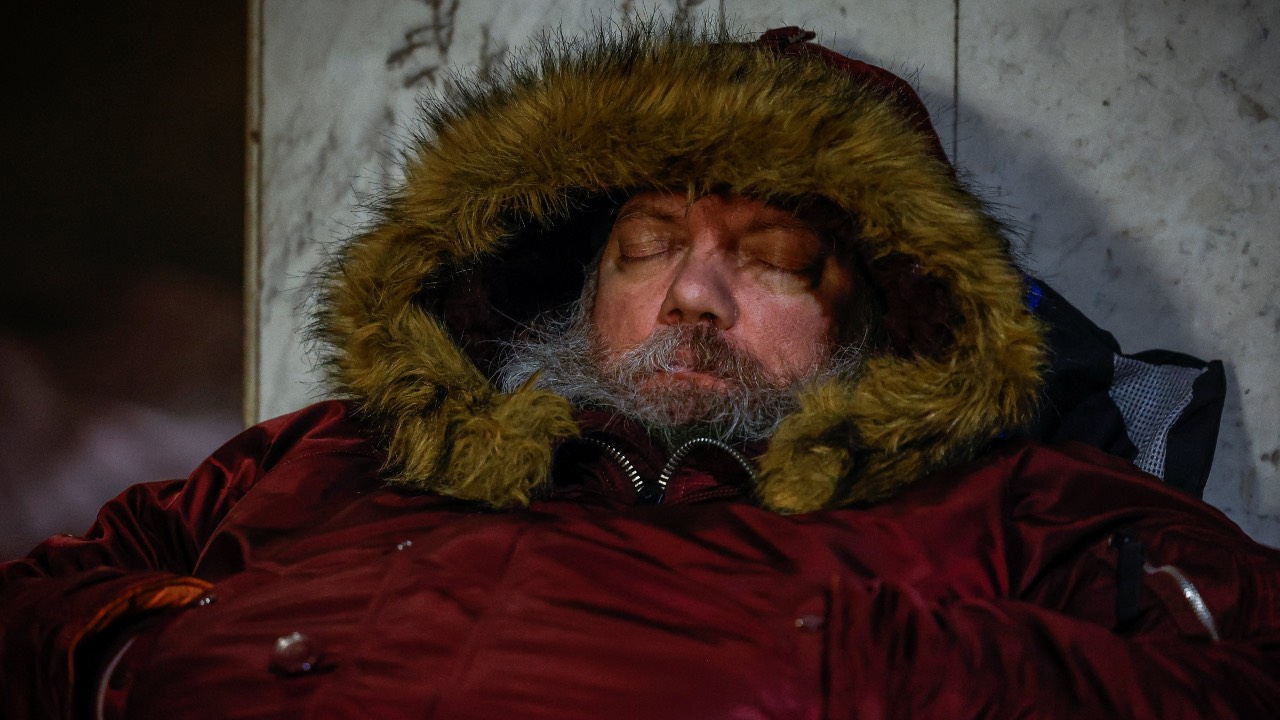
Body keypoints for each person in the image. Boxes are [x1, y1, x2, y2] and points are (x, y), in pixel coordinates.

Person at [3, 21, 1278, 720]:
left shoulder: (1012, 505)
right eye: (648, 245)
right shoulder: (341, 458)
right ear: (578, 281)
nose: (690, 295)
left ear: (880, 313)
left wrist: (839, 664)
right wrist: (142, 661)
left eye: (771, 259)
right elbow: (36, 599)